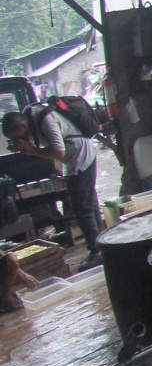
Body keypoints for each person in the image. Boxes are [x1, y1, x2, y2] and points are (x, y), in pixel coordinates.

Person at [3, 103, 103, 268]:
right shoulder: (31, 117)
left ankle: (97, 251)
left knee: (82, 208)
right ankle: (103, 246)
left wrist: (32, 151)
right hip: (76, 157)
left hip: (80, 157)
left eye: (16, 136)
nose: (17, 140)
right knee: (90, 205)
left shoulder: (45, 120)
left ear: (22, 125)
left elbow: (59, 152)